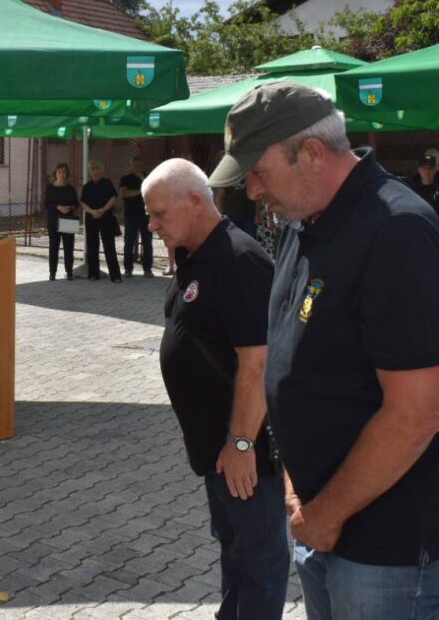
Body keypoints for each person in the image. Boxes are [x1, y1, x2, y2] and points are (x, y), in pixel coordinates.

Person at [209, 81, 439, 620]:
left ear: (312, 153)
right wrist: (301, 493)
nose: (251, 190)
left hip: (388, 542)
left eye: (258, 171)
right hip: (322, 519)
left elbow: (414, 416)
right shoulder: (305, 220)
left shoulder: (396, 230)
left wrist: (325, 515)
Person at [145, 158, 288, 619]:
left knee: (259, 561)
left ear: (194, 202)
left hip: (245, 454)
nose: (152, 226)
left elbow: (258, 360)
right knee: (234, 551)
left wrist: (242, 441)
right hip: (217, 450)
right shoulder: (196, 253)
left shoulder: (240, 260)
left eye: (159, 215)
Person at [81, 159, 122, 282]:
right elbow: (83, 203)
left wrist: (103, 210)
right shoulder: (87, 186)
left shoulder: (107, 183)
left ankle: (115, 276)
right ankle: (93, 274)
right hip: (91, 218)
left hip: (106, 217)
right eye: (92, 169)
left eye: (97, 168)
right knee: (92, 246)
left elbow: (113, 198)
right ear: (90, 171)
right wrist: (92, 212)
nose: (95, 171)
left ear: (101, 170)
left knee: (109, 246)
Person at [118, 156, 154, 277]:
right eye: (135, 166)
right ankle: (128, 269)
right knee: (129, 242)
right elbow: (124, 193)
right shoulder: (125, 179)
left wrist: (143, 180)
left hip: (146, 215)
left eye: (139, 166)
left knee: (147, 242)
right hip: (131, 215)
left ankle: (147, 269)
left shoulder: (148, 177)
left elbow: (152, 192)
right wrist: (140, 191)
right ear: (131, 166)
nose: (137, 168)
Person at [46, 163, 79, 281]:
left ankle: (69, 272)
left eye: (64, 172)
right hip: (54, 222)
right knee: (53, 248)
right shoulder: (50, 188)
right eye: (59, 171)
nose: (61, 174)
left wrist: (69, 208)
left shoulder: (70, 188)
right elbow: (46, 205)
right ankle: (52, 273)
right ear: (55, 174)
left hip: (68, 221)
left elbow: (76, 204)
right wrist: (58, 207)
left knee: (68, 248)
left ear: (67, 174)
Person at [214, 151, 260, 238]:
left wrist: (257, 214)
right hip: (231, 214)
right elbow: (220, 196)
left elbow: (256, 193)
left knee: (250, 240)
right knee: (232, 240)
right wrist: (219, 214)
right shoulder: (226, 175)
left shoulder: (247, 171)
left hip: (248, 214)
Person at [409, 154, 439, 233]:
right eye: (424, 168)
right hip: (417, 231)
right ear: (419, 170)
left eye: (430, 168)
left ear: (435, 170)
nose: (427, 171)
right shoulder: (412, 191)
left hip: (437, 231)